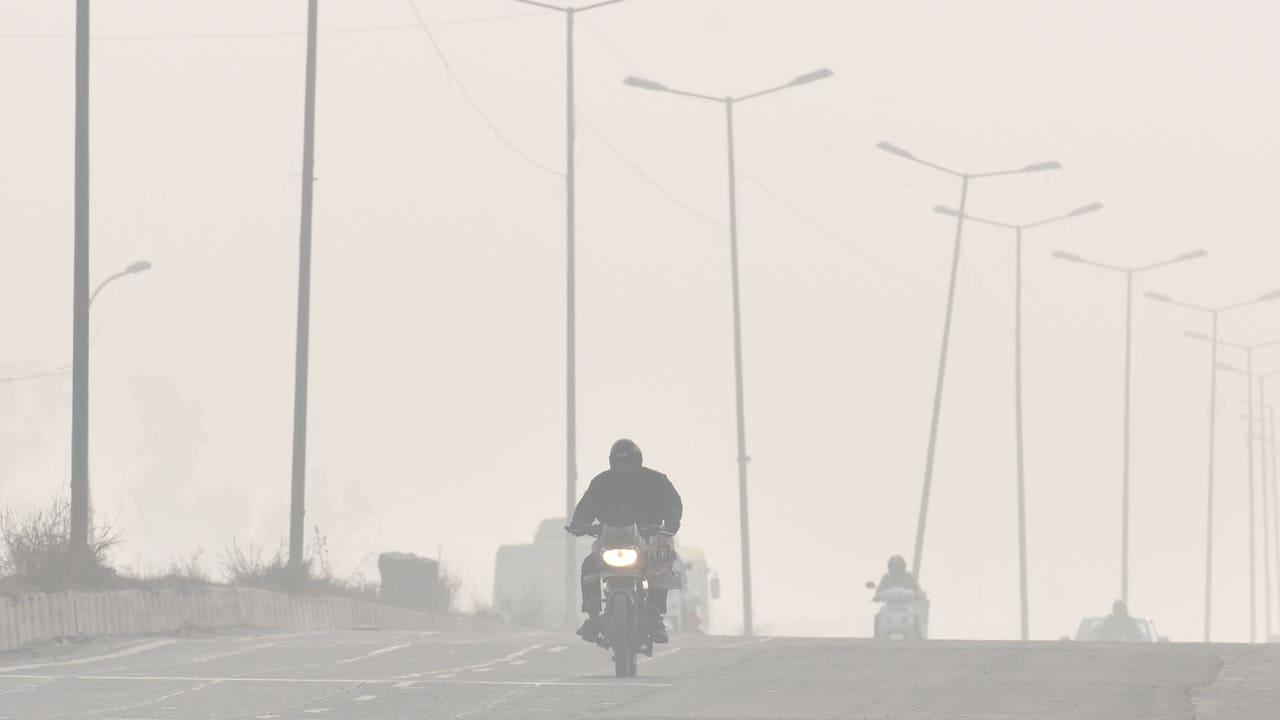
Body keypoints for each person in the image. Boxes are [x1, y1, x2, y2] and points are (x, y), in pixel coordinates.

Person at [569, 439, 683, 645]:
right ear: (612, 463)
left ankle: (655, 616)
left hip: (647, 538)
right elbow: (586, 506)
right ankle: (593, 616)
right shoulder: (601, 483)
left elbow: (672, 503)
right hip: (609, 540)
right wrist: (579, 523)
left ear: (637, 462)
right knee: (589, 565)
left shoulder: (656, 481)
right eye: (619, 464)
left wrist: (671, 521)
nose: (624, 469)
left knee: (662, 558)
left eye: (628, 464)